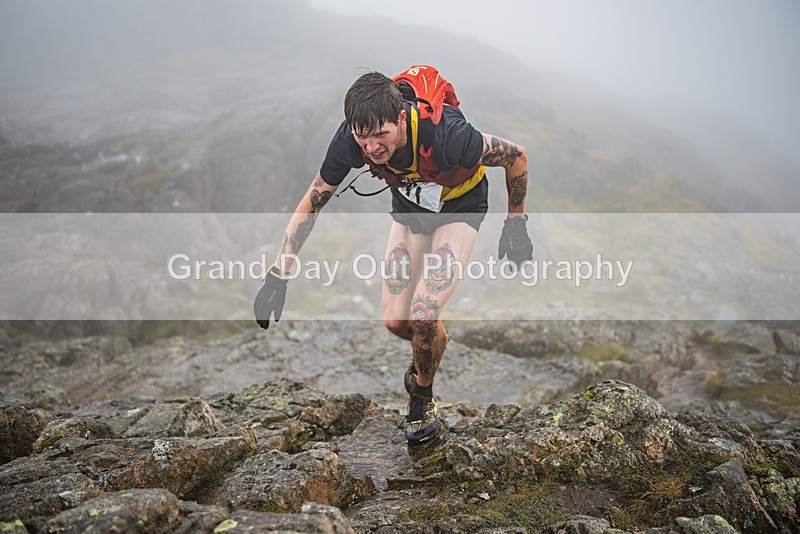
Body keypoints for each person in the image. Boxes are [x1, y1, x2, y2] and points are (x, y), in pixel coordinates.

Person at [254, 66, 533, 444]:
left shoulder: (448, 134)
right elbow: (313, 201)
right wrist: (278, 274)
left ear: (400, 118)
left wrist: (515, 225)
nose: (372, 148)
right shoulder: (351, 139)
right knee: (396, 321)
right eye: (363, 137)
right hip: (411, 210)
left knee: (422, 313)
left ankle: (421, 395)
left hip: (460, 207)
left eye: (381, 135)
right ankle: (432, 345)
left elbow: (517, 157)